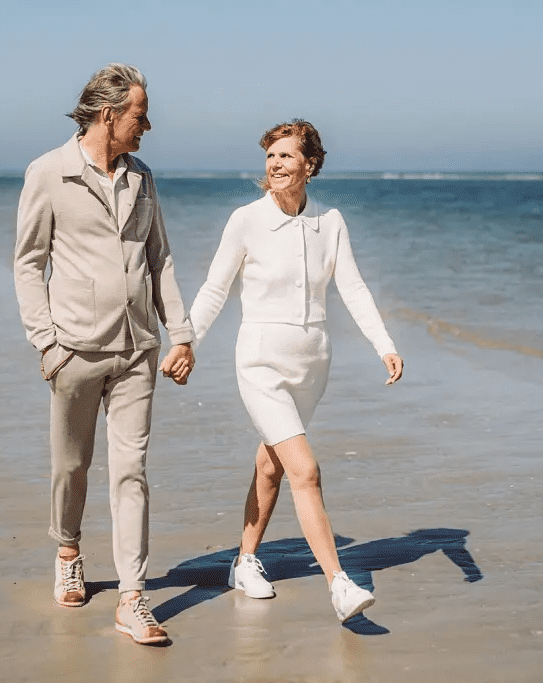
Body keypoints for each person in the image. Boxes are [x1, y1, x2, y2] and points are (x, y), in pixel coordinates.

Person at [187, 119, 404, 622]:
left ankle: (244, 561)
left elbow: (352, 288)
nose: (276, 165)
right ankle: (340, 584)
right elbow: (215, 289)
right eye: (270, 157)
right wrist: (186, 342)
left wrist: (384, 344)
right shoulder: (246, 219)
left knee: (272, 464)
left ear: (310, 164)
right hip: (260, 362)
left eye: (286, 156)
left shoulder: (330, 221)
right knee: (305, 469)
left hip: (313, 364)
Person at [13, 63, 195, 645]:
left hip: (139, 348)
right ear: (109, 114)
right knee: (72, 466)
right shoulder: (49, 173)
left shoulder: (142, 177)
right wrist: (48, 345)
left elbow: (160, 257)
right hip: (76, 352)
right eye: (140, 115)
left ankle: (134, 598)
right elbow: (28, 263)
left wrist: (181, 333)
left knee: (131, 472)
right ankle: (68, 550)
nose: (149, 125)